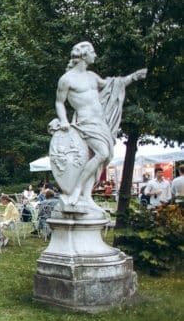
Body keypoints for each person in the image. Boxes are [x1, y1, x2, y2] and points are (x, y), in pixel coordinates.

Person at [54, 41, 147, 207]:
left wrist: (133, 77)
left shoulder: (92, 76)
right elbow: (59, 103)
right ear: (83, 55)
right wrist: (63, 120)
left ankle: (87, 196)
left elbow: (113, 85)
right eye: (93, 52)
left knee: (101, 158)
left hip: (101, 123)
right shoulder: (66, 79)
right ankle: (77, 189)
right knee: (102, 153)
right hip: (85, 123)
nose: (95, 55)